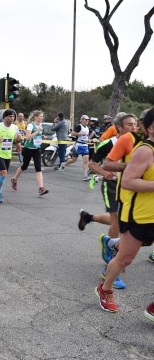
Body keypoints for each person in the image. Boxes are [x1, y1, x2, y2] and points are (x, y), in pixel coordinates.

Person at [96, 107, 154, 320]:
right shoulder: (145, 150)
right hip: (139, 215)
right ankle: (106, 289)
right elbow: (129, 181)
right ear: (150, 127)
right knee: (125, 259)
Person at [78, 112, 137, 290]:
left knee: (119, 221)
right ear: (119, 127)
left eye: (135, 124)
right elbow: (92, 164)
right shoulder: (109, 143)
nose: (133, 128)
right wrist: (105, 173)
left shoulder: (138, 143)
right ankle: (111, 264)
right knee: (117, 222)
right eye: (129, 125)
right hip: (111, 185)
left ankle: (89, 218)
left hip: (130, 187)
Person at [10, 110, 49, 196]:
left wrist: (42, 136)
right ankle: (14, 179)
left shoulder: (40, 125)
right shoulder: (31, 125)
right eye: (41, 116)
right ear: (36, 117)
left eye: (42, 116)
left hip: (37, 149)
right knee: (24, 166)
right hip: (28, 149)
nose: (42, 118)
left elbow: (36, 136)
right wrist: (38, 131)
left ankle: (41, 188)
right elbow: (27, 137)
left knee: (38, 168)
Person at [0, 109, 22, 203]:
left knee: (1, 174)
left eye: (13, 117)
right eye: (10, 116)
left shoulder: (15, 127)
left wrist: (19, 140)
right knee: (3, 173)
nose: (12, 118)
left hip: (7, 154)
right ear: (5, 118)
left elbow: (16, 141)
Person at [66, 115, 93, 180]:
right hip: (78, 145)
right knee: (73, 160)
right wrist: (80, 134)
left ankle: (85, 176)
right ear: (82, 120)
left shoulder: (87, 128)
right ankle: (64, 164)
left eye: (88, 120)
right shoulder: (79, 126)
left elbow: (92, 133)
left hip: (85, 145)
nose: (87, 121)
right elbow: (72, 133)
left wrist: (88, 139)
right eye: (86, 120)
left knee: (86, 160)